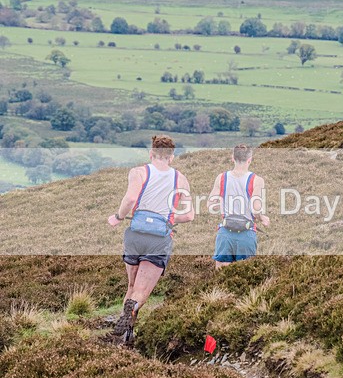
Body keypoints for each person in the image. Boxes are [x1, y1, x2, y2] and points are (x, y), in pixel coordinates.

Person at [107, 135, 194, 344]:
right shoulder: (180, 179)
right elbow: (190, 215)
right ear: (171, 157)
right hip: (158, 239)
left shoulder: (138, 172)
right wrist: (169, 219)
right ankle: (132, 311)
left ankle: (126, 334)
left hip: (135, 235)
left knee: (131, 286)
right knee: (142, 291)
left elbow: (129, 199)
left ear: (151, 153)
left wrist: (118, 217)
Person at [208, 144, 270, 269]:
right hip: (246, 234)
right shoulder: (257, 180)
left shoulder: (221, 178)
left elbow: (210, 204)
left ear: (232, 158)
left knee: (220, 276)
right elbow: (255, 207)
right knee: (246, 275)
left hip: (225, 233)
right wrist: (262, 218)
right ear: (249, 160)